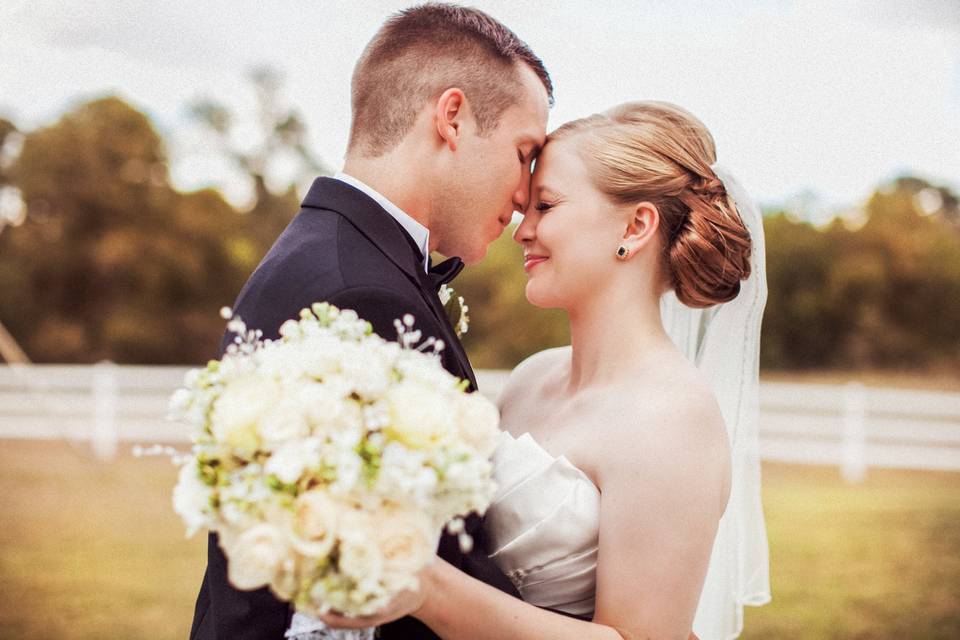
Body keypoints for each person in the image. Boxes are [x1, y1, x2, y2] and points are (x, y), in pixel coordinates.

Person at [321, 101, 770, 639]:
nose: (521, 230)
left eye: (547, 206)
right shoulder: (530, 378)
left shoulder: (674, 416)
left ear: (637, 224)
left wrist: (428, 590)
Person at [187, 4, 552, 639]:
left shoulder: (333, 253)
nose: (525, 194)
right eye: (524, 154)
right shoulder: (361, 290)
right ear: (453, 118)